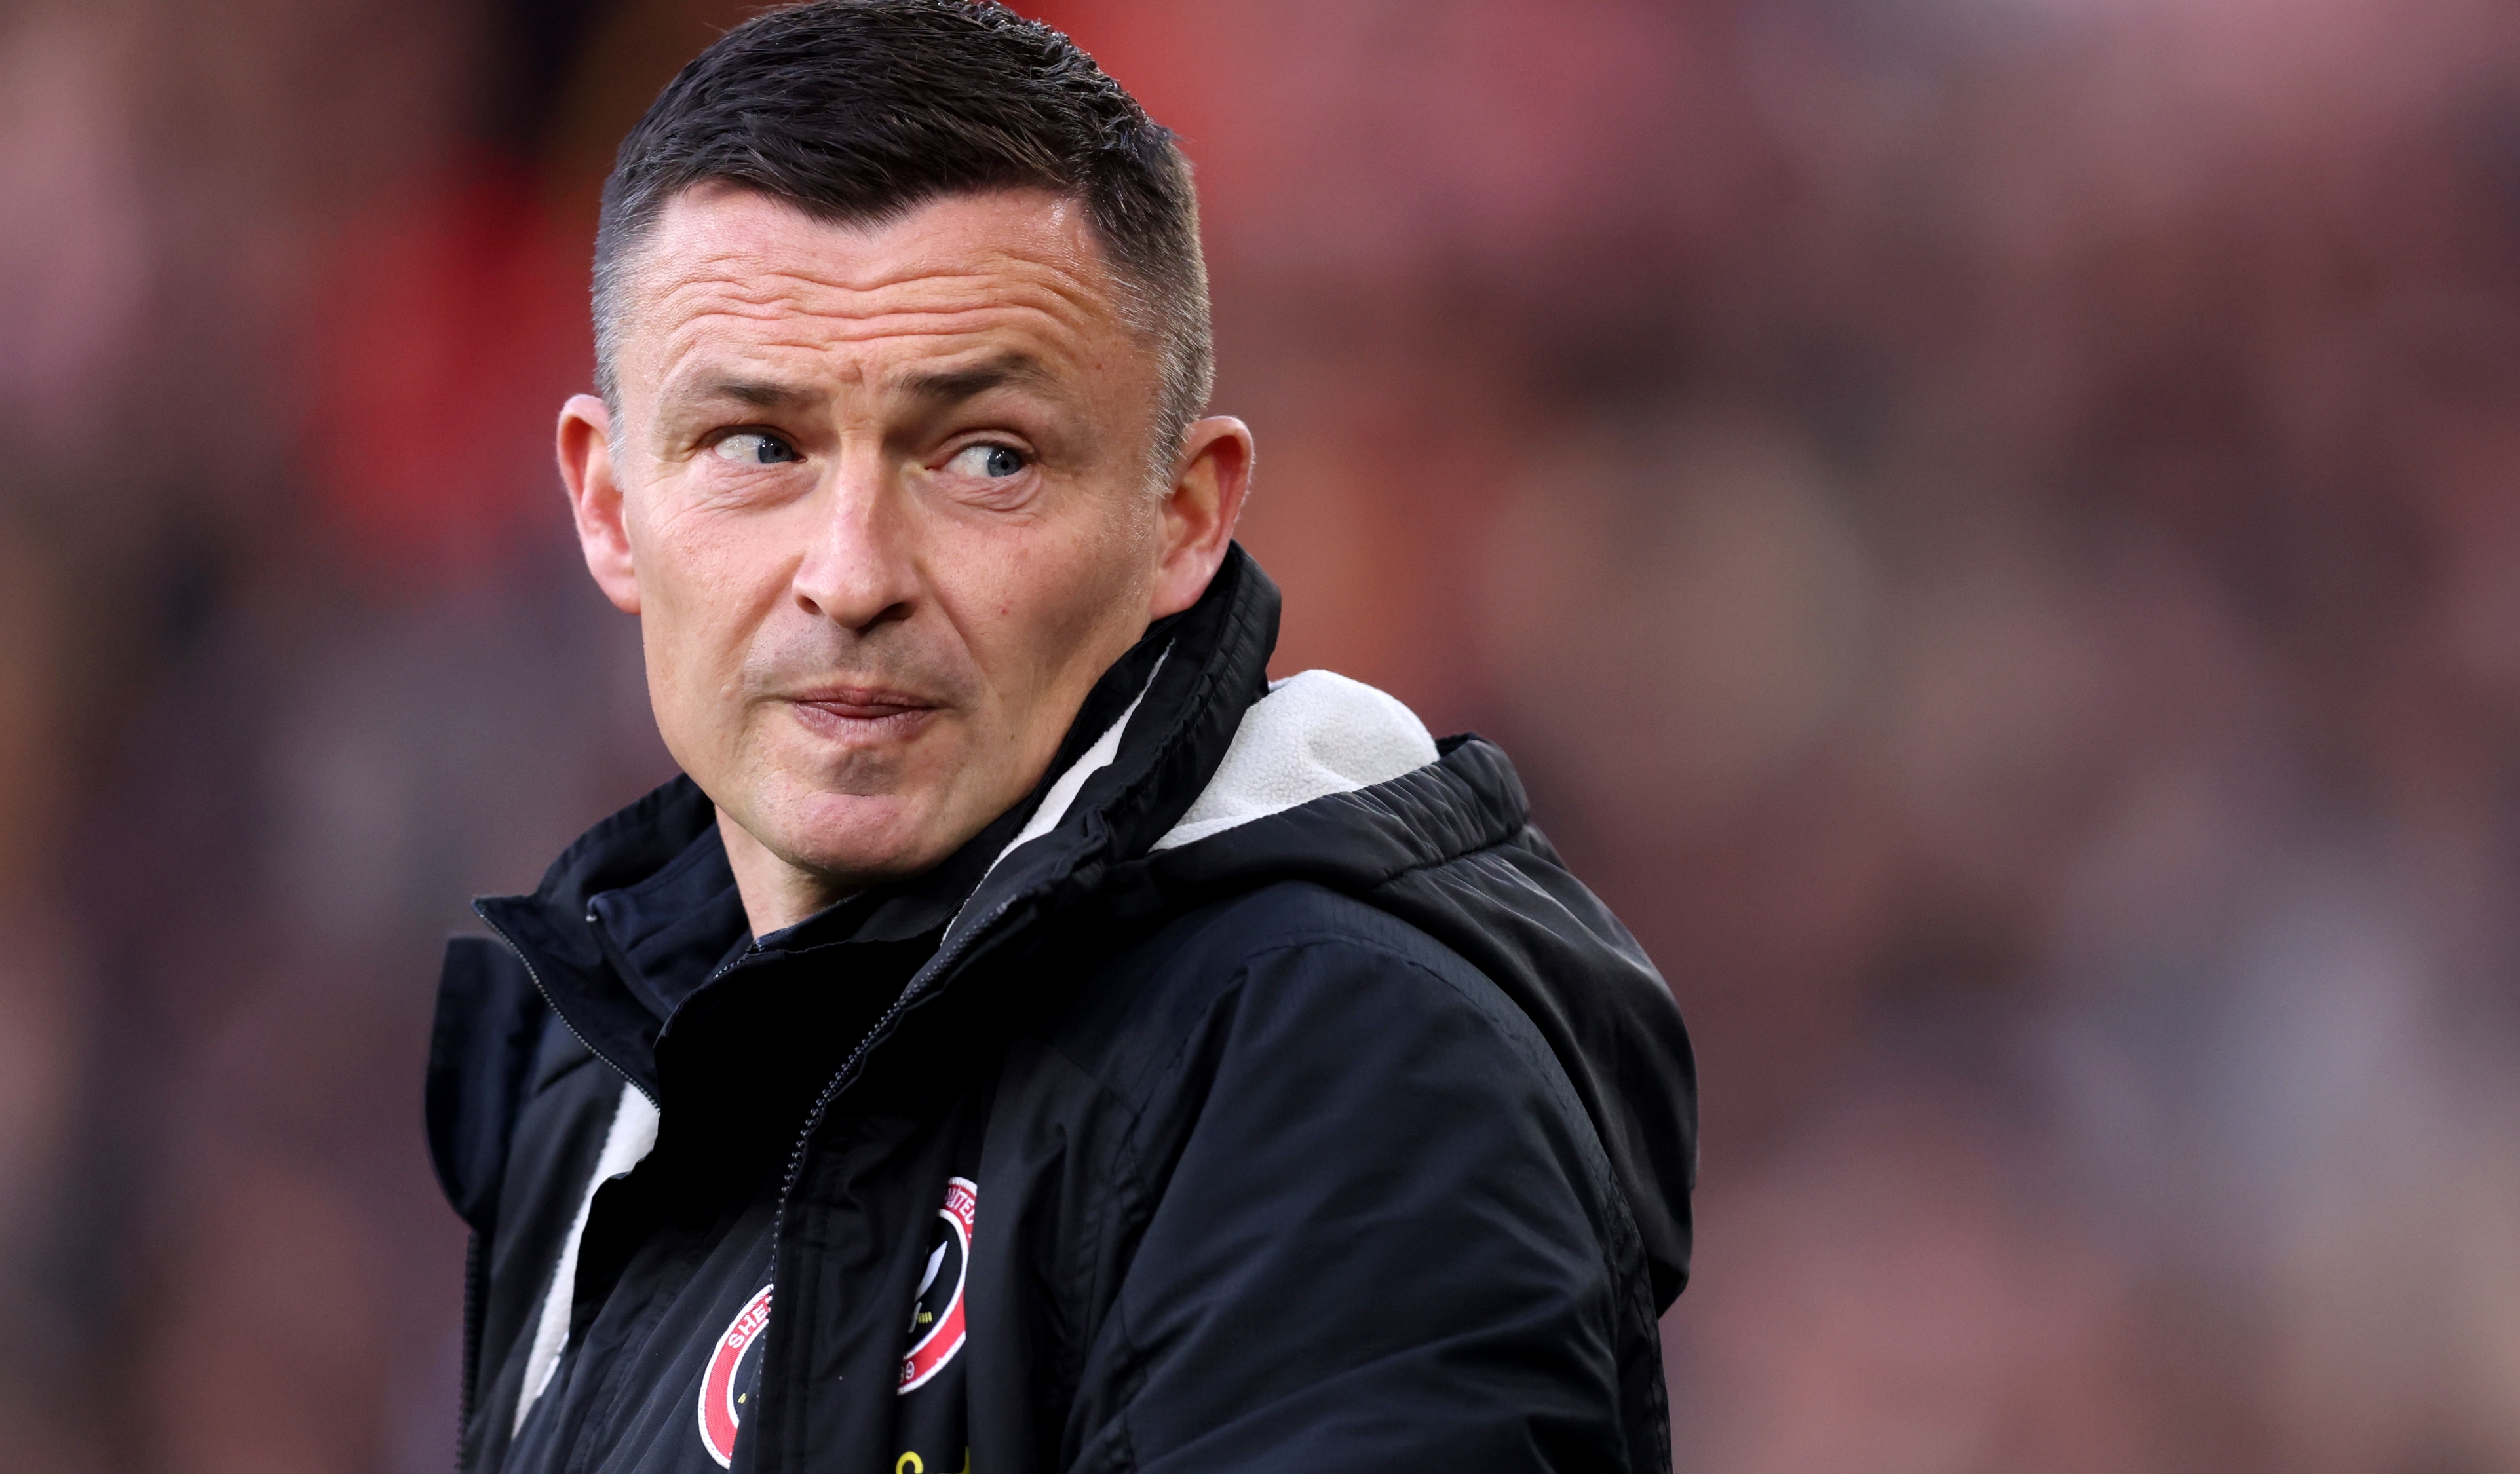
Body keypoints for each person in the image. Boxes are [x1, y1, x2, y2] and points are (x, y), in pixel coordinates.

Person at [422, 3, 1697, 1470]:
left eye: (985, 458)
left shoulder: (1336, 1061)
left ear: (1186, 519)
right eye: (758, 446)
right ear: (606, 502)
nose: (852, 574)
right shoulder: (602, 1099)